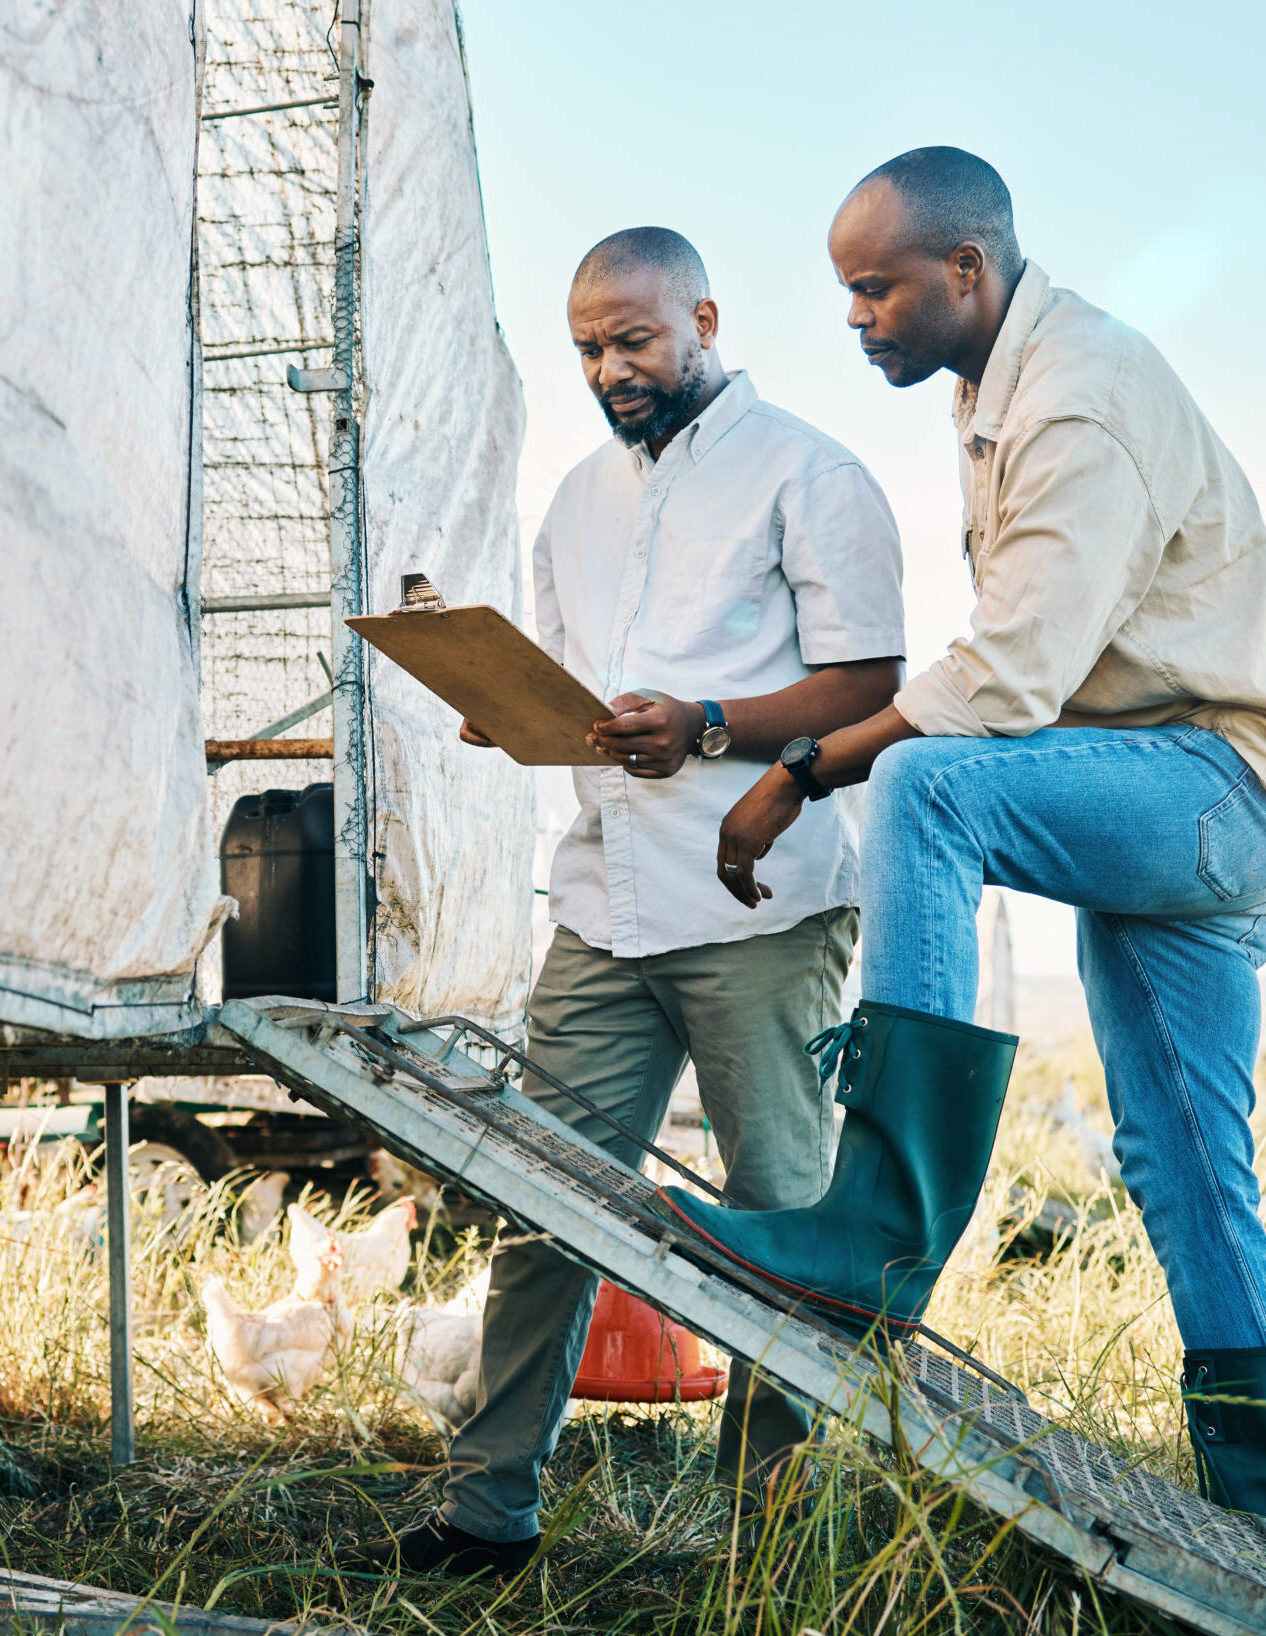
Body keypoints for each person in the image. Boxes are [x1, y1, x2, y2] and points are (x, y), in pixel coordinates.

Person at [657, 148, 1266, 1519]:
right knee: (1176, 1151)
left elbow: (1003, 684)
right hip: (1162, 786)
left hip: (1214, 787)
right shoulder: (999, 386)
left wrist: (801, 769)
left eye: (875, 288)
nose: (856, 316)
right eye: (844, 292)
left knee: (928, 782)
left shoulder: (1079, 400)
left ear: (966, 270)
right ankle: (1254, 1473)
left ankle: (877, 1223)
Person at [340, 226, 905, 1575]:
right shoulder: (576, 502)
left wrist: (707, 724)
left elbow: (873, 681)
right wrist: (512, 712)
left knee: (780, 1226)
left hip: (760, 898)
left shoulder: (808, 473)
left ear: (703, 316)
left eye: (635, 340)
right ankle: (488, 1515)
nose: (610, 369)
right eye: (588, 347)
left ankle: (770, 1539)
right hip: (602, 899)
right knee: (542, 1203)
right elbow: (581, 696)